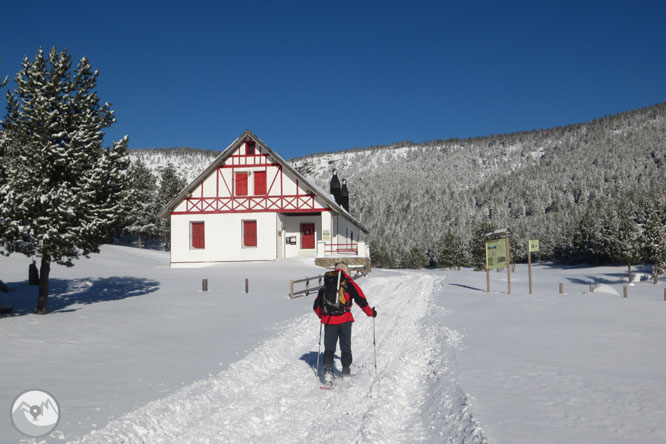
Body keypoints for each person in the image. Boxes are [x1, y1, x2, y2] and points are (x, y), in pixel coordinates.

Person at [313, 262, 377, 378]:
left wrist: (323, 316)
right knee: (345, 346)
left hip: (329, 320)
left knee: (329, 348)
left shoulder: (327, 283)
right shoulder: (349, 283)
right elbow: (361, 299)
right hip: (345, 320)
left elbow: (316, 306)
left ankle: (328, 370)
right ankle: (346, 371)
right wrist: (371, 313)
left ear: (335, 269)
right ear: (346, 270)